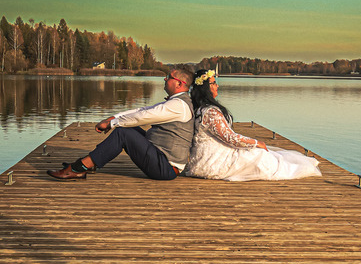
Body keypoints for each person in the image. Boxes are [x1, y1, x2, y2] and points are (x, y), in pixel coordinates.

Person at [47, 67, 196, 182]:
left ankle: (79, 167)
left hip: (165, 168)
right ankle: (90, 163)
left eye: (169, 77)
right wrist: (113, 118)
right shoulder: (177, 102)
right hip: (160, 160)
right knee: (128, 128)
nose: (165, 78)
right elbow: (143, 110)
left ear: (179, 83)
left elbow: (143, 117)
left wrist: (113, 123)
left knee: (123, 133)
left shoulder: (178, 105)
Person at [184, 68, 322, 182]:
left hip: (200, 161)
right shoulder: (210, 112)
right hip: (213, 163)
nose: (217, 85)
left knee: (264, 154)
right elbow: (231, 138)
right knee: (260, 155)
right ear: (205, 88)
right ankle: (300, 166)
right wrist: (257, 142)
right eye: (213, 83)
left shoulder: (198, 110)